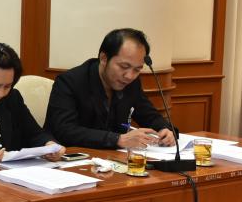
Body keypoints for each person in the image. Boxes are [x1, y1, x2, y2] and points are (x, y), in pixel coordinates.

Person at [44, 28, 176, 149]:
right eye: (124, 67)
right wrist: (117, 139)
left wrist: (164, 129)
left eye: (137, 69)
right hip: (68, 158)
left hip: (111, 160)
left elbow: (149, 115)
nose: (129, 76)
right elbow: (65, 131)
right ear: (103, 58)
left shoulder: (132, 83)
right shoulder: (70, 82)